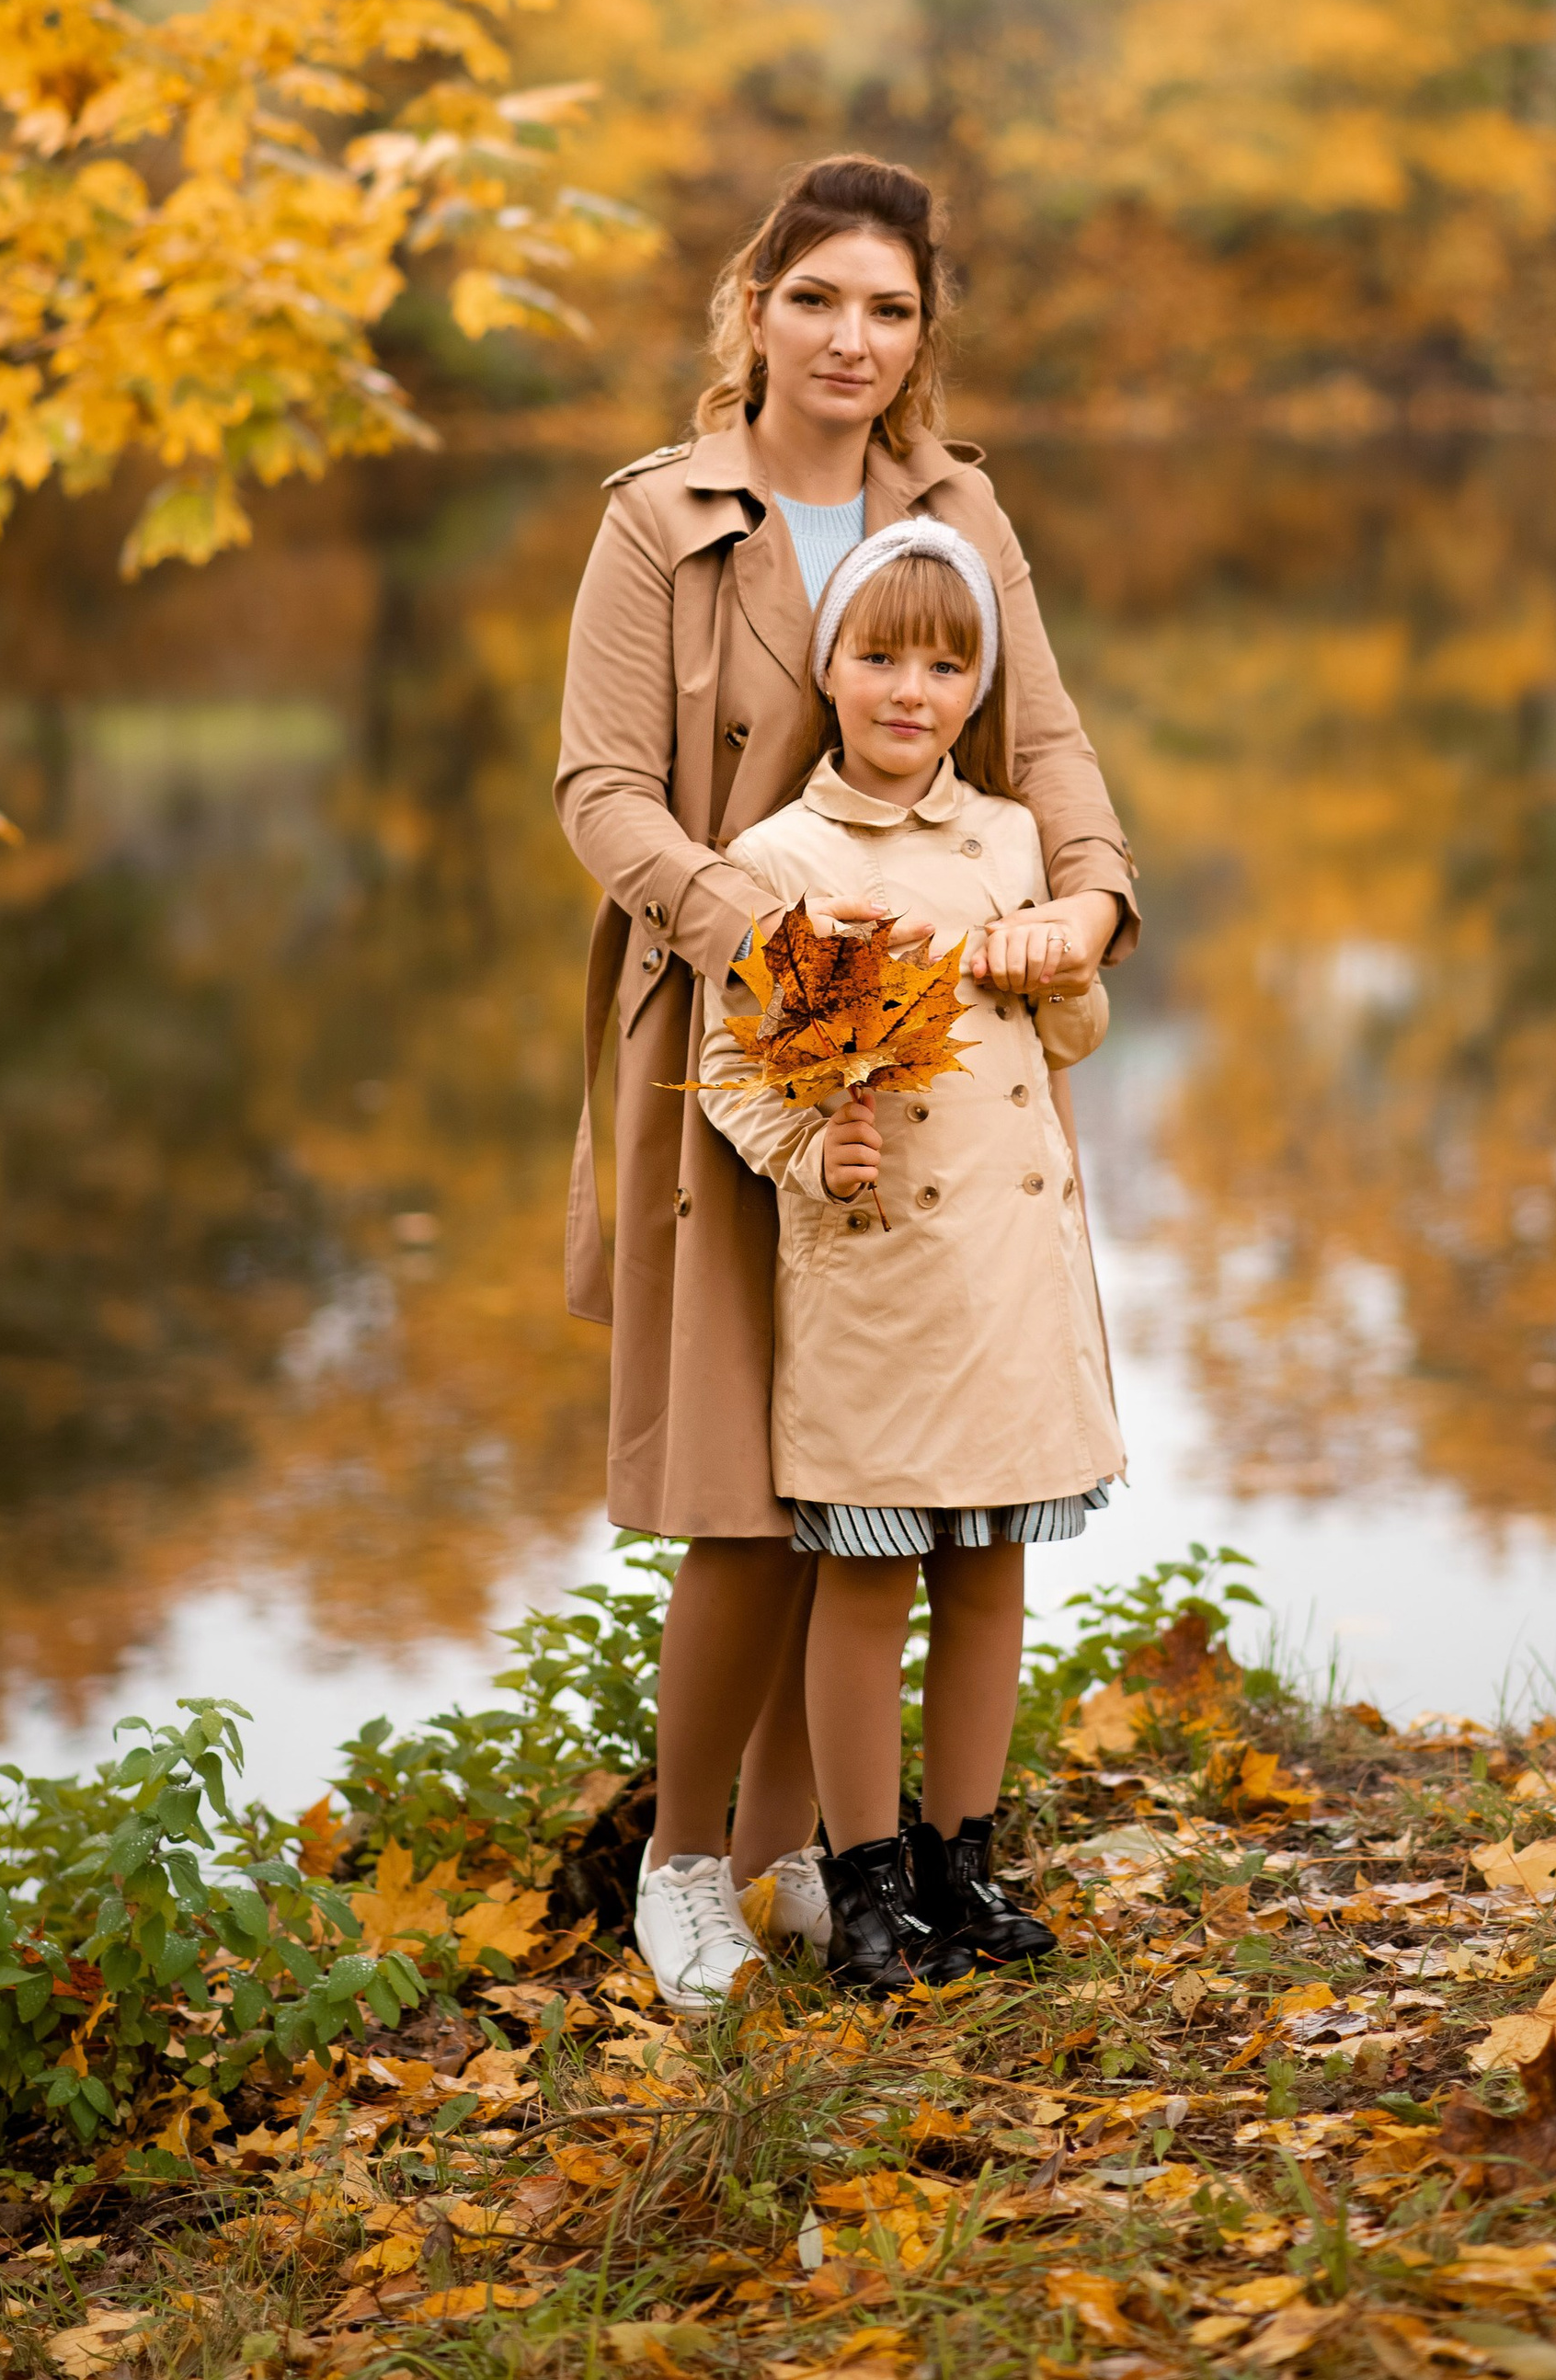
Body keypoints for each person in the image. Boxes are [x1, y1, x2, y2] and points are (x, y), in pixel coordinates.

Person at [554, 154, 1137, 2011]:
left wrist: (1095, 897)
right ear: (755, 304)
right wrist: (762, 939)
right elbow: (597, 793)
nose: (851, 339)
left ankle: (822, 1852)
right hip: (737, 1030)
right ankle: (684, 1867)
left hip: (933, 1059)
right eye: (817, 299)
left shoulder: (955, 509)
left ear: (920, 334)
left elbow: (1041, 739)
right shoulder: (660, 517)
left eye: (888, 309)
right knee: (747, 1487)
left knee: (871, 1475)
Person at [694, 518, 1126, 1989]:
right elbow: (742, 1076)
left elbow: (1070, 1035)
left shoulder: (1012, 839)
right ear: (831, 670)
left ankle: (965, 1863)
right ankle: (862, 1879)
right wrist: (822, 1151)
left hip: (1011, 1282)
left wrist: (1058, 954)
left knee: (993, 1567)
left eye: (946, 666)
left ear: (975, 690)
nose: (911, 691)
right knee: (871, 1584)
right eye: (881, 657)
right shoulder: (782, 860)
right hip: (880, 1284)